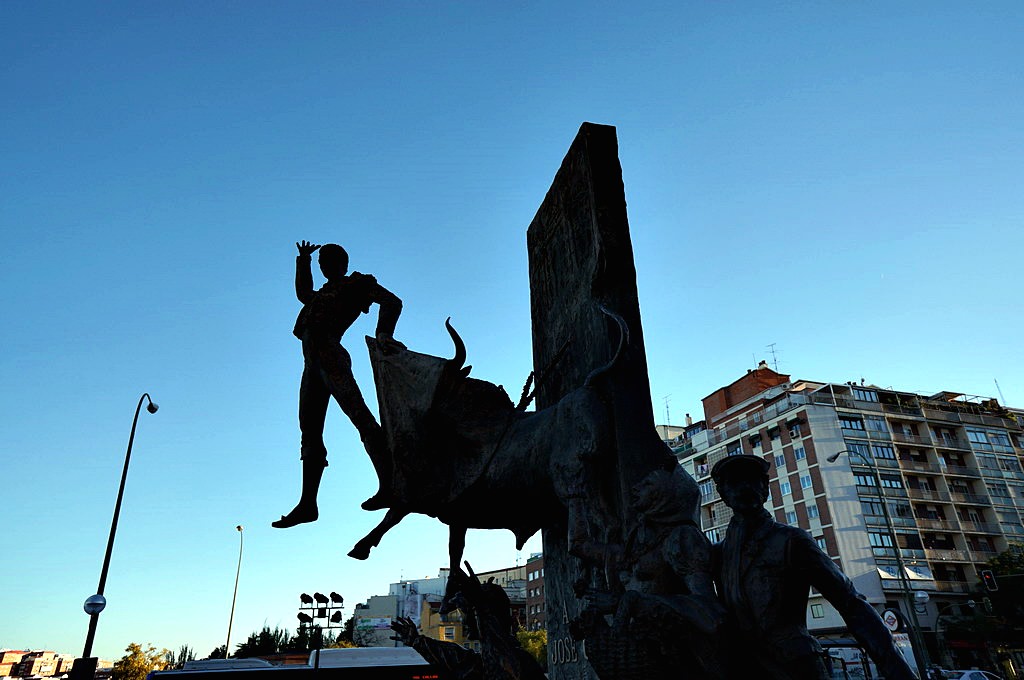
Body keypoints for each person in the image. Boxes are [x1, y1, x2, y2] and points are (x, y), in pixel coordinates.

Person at [710, 454, 915, 680]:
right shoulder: (718, 553)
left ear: (765, 486)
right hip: (744, 668)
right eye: (734, 482)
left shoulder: (791, 540)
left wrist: (898, 671)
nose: (744, 488)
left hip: (796, 667)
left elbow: (851, 603)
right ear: (722, 494)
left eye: (751, 479)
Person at [273, 240, 405, 528]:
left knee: (361, 417)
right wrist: (303, 261)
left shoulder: (356, 284)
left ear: (342, 263)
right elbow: (303, 293)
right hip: (311, 365)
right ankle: (308, 504)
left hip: (331, 357)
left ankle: (389, 484)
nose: (323, 265)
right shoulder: (320, 294)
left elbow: (393, 302)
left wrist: (384, 333)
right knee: (309, 432)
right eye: (321, 262)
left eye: (327, 260)